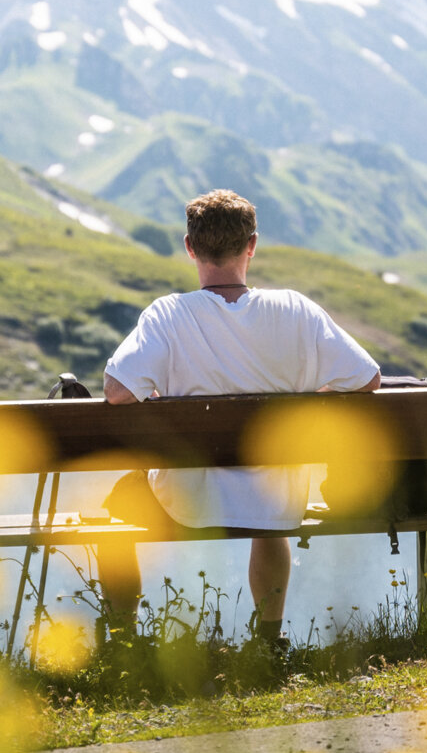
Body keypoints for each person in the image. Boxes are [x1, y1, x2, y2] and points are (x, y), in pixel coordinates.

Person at [98, 189, 380, 644]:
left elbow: (117, 392)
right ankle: (268, 639)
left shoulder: (168, 314)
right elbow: (367, 380)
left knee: (117, 503)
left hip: (185, 499)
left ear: (190, 247)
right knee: (269, 510)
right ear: (251, 245)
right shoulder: (296, 309)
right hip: (275, 498)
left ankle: (125, 639)